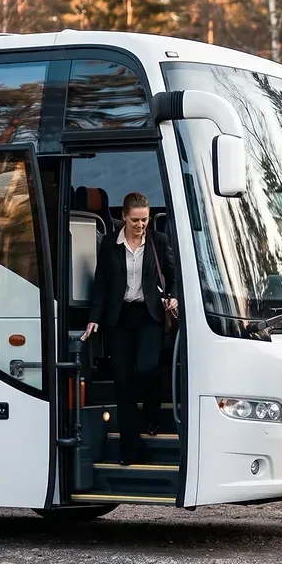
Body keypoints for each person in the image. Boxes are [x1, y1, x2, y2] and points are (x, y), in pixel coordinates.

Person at [82, 193, 179, 464]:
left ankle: (151, 412)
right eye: (135, 219)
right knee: (123, 385)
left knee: (147, 368)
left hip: (150, 315)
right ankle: (130, 451)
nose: (140, 225)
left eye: (145, 219)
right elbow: (101, 283)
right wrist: (94, 318)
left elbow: (172, 277)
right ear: (123, 216)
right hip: (120, 318)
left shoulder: (159, 241)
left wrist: (172, 296)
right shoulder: (110, 245)